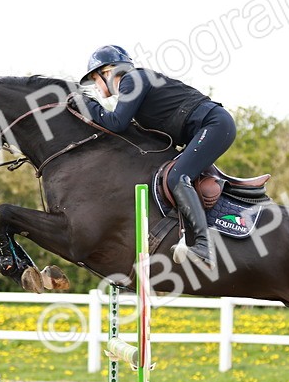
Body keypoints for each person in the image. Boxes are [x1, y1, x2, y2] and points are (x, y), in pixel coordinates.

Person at [78, 44, 235, 269]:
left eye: (95, 79)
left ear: (109, 71)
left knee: (177, 177)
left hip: (214, 124)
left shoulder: (132, 79)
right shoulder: (133, 86)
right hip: (208, 127)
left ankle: (203, 244)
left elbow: (116, 123)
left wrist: (87, 105)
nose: (95, 86)